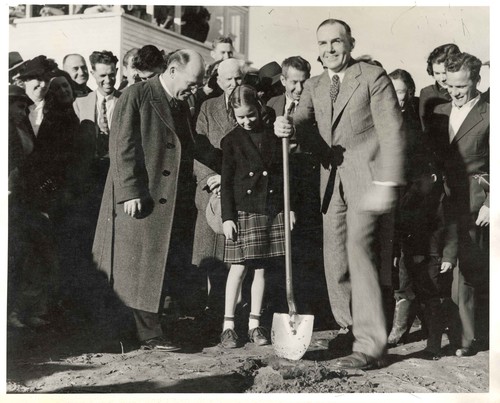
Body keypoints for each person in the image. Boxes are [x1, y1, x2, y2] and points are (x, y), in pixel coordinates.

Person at [274, 18, 406, 369]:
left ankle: (370, 346)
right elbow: (300, 122)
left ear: (350, 43)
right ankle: (352, 328)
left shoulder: (372, 77)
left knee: (361, 258)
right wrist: (283, 125)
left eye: (336, 42)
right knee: (336, 262)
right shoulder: (316, 85)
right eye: (322, 44)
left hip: (369, 181)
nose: (329, 49)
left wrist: (387, 182)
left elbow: (392, 131)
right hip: (332, 187)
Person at [92, 49, 222, 352]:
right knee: (135, 267)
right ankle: (146, 334)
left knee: (151, 266)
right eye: (192, 82)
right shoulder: (137, 95)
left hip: (168, 199)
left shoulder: (181, 102)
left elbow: (187, 150)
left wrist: (216, 172)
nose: (195, 89)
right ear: (173, 70)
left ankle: (150, 328)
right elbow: (121, 144)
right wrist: (130, 191)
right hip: (140, 196)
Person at [220, 84, 295, 348]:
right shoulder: (230, 141)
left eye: (251, 115)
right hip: (243, 212)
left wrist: (288, 208)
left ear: (259, 108)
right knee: (238, 269)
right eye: (240, 117)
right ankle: (228, 325)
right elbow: (226, 183)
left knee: (262, 270)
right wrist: (227, 217)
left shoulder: (273, 136)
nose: (247, 121)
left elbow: (283, 175)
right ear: (233, 114)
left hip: (270, 208)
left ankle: (254, 324)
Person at [427, 52, 489, 357]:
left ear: (477, 80)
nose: (454, 92)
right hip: (440, 200)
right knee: (440, 266)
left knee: (466, 269)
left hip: (474, 201)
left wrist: (492, 200)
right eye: (450, 86)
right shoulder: (438, 112)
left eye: (461, 86)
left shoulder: (490, 114)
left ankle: (466, 338)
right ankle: (442, 333)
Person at [192, 58, 243, 340]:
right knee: (211, 258)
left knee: (236, 257)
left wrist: (231, 181)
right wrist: (210, 181)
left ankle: (235, 315)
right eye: (228, 80)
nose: (234, 85)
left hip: (238, 191)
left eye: (238, 79)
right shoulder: (207, 108)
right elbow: (198, 148)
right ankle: (213, 315)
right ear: (218, 81)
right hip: (211, 191)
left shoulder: (249, 106)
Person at [72, 50, 121, 275]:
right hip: (89, 178)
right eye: (102, 76)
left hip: (115, 176)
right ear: (92, 74)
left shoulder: (126, 101)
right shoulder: (80, 103)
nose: (108, 80)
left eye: (112, 75)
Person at [419, 44, 461, 132]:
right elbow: (426, 130)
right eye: (437, 73)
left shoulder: (471, 93)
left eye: (445, 72)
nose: (442, 79)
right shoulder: (428, 94)